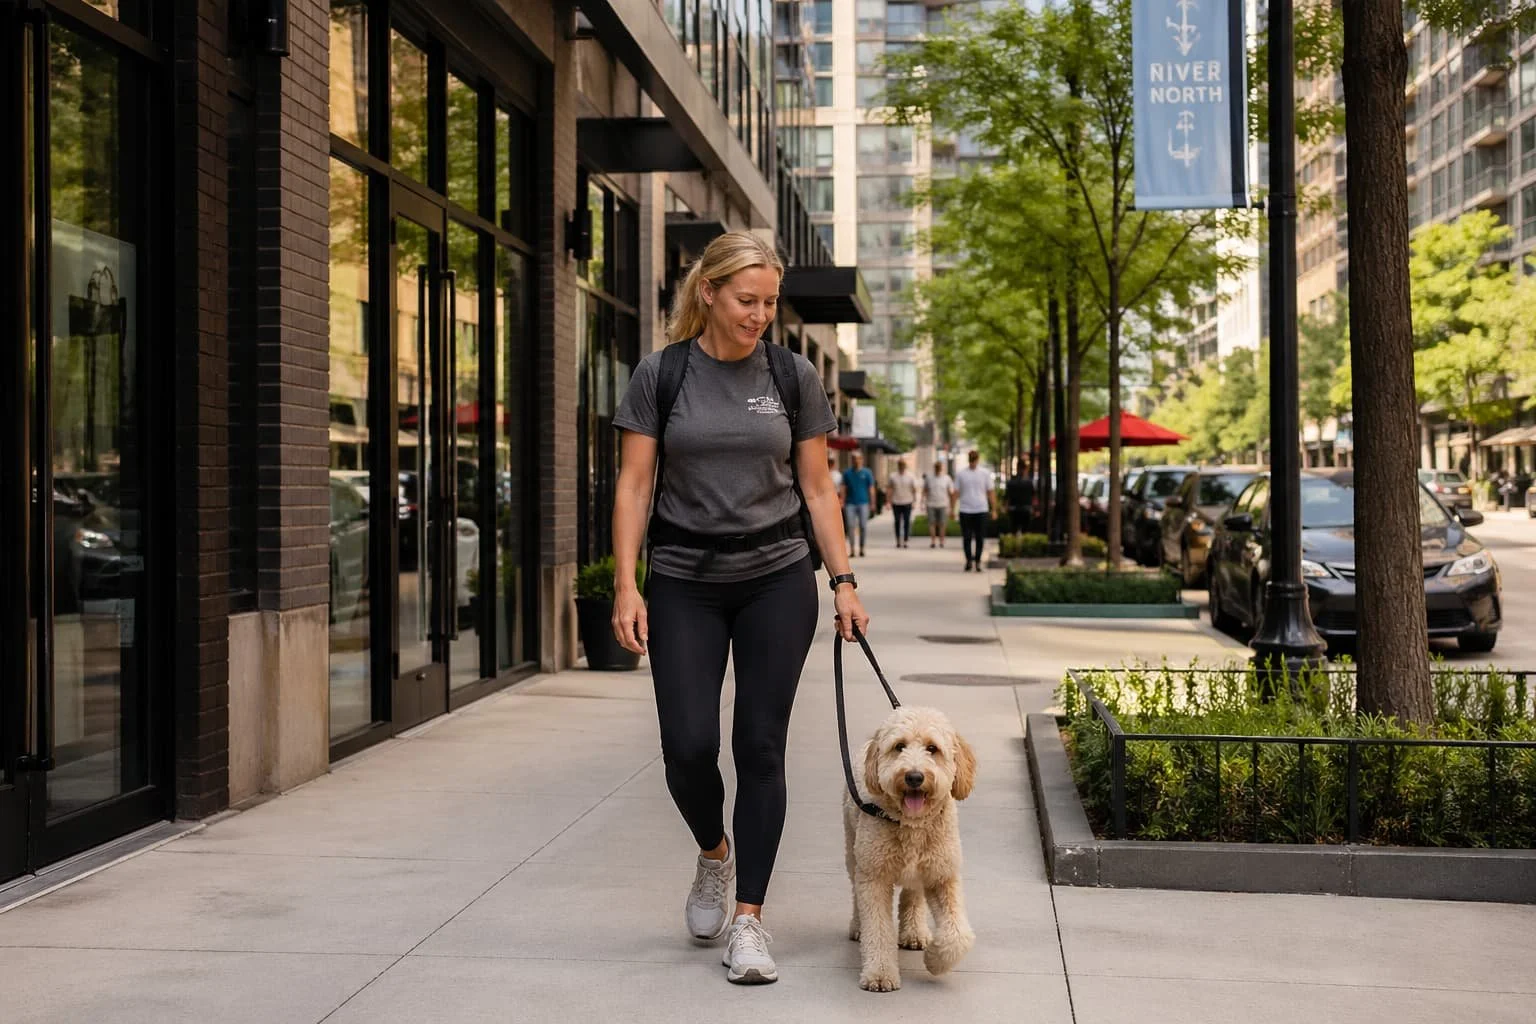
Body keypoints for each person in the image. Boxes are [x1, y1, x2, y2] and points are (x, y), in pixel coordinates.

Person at [609, 231, 871, 986]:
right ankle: (713, 857)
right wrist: (627, 583)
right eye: (747, 301)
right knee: (688, 747)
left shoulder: (791, 377)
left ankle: (750, 922)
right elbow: (633, 486)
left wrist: (843, 581)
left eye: (769, 302)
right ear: (709, 294)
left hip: (777, 577)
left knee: (760, 746)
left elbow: (818, 489)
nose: (761, 315)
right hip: (684, 579)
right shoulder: (662, 375)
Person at [955, 449, 996, 571]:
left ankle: (977, 561)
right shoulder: (961, 474)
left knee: (979, 537)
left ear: (977, 460)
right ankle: (969, 560)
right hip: (966, 509)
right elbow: (955, 492)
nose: (973, 462)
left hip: (980, 509)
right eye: (971, 460)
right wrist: (951, 509)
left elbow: (990, 492)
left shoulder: (984, 473)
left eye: (974, 459)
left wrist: (994, 509)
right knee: (967, 537)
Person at [842, 451, 876, 557]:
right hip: (850, 503)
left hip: (863, 503)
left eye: (858, 458)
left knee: (863, 526)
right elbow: (844, 488)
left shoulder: (867, 472)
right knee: (851, 526)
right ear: (851, 460)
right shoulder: (847, 473)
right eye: (854, 458)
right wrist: (842, 501)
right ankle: (852, 549)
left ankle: (862, 548)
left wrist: (873, 502)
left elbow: (871, 488)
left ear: (862, 459)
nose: (856, 461)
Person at [885, 458, 919, 548]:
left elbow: (914, 489)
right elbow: (889, 489)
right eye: (900, 465)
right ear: (898, 466)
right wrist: (888, 502)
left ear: (905, 466)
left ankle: (905, 540)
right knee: (897, 521)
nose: (902, 466)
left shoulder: (911, 476)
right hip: (896, 502)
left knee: (907, 521)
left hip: (908, 501)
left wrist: (915, 501)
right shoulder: (893, 476)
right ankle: (898, 540)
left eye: (903, 465)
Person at [924, 460, 956, 548]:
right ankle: (933, 541)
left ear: (941, 468)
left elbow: (950, 492)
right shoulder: (929, 478)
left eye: (939, 467)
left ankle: (941, 541)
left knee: (942, 523)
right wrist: (923, 502)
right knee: (932, 523)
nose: (937, 469)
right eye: (936, 467)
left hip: (943, 504)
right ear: (934, 468)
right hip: (931, 504)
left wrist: (952, 506)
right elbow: (925, 490)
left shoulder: (947, 478)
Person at [1004, 458, 1036, 534]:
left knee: (1013, 531)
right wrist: (1034, 508)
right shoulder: (1029, 482)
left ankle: (1014, 545)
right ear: (1025, 469)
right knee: (1025, 531)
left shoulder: (1011, 482)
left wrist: (1005, 507)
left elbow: (1007, 496)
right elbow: (1033, 496)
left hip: (1013, 509)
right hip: (1026, 509)